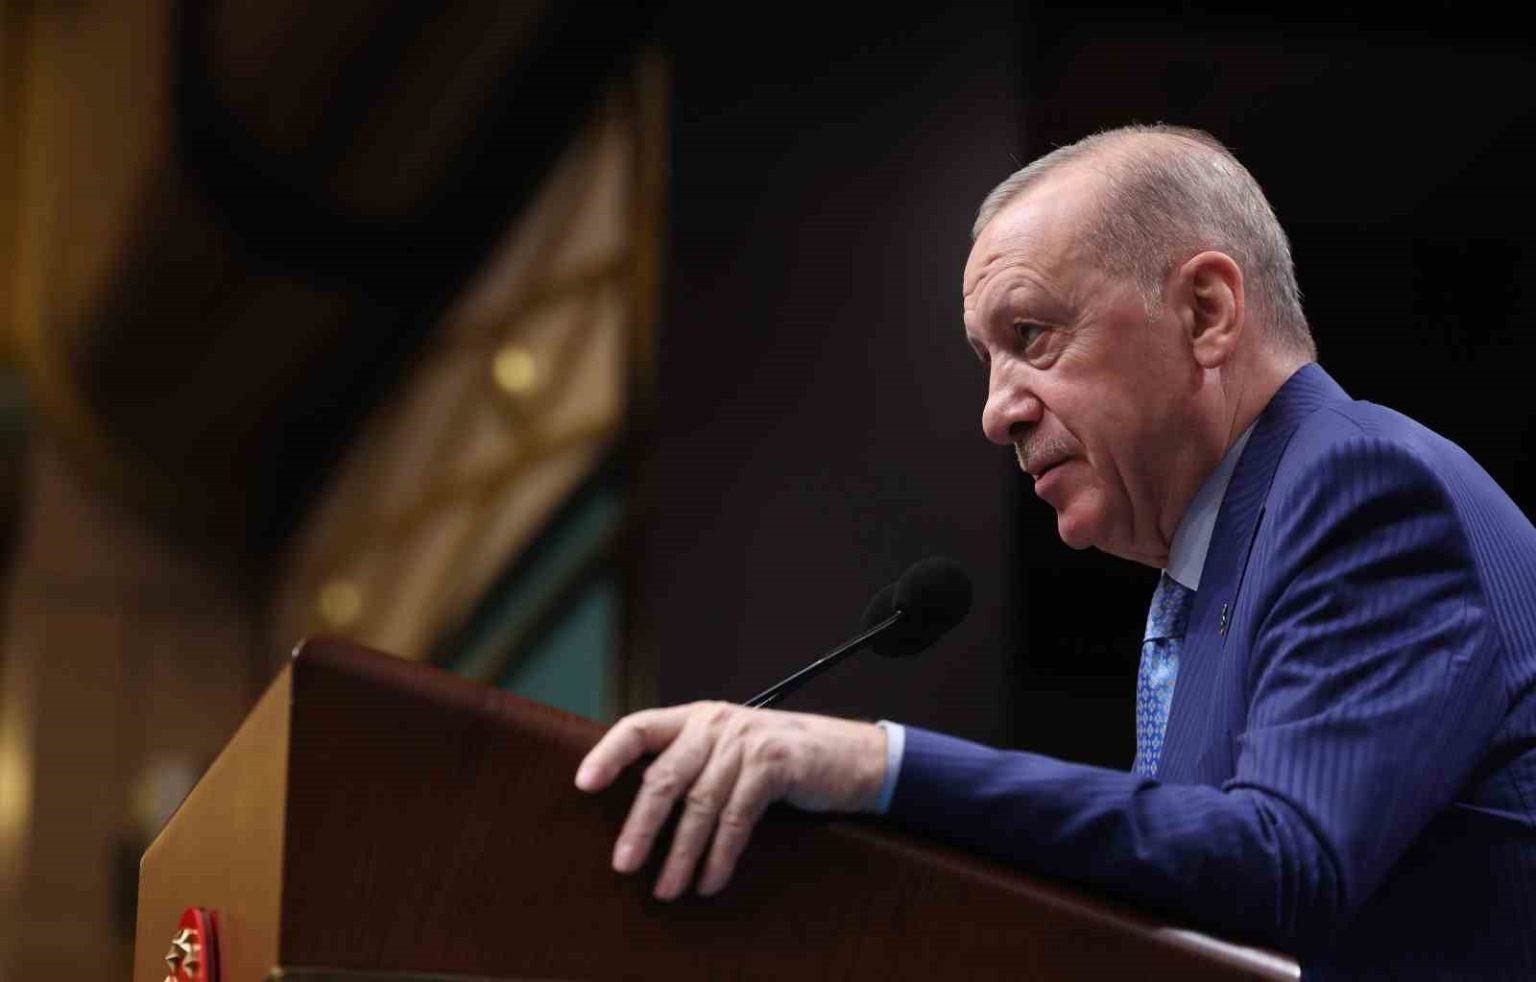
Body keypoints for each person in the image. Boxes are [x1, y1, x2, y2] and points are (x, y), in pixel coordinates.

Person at [575, 125, 1536, 978]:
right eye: (986, 360)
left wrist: (878, 764)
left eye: (1031, 335)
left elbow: (1281, 861)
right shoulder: (1218, 566)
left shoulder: (1359, 489)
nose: (997, 412)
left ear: (1206, 312)